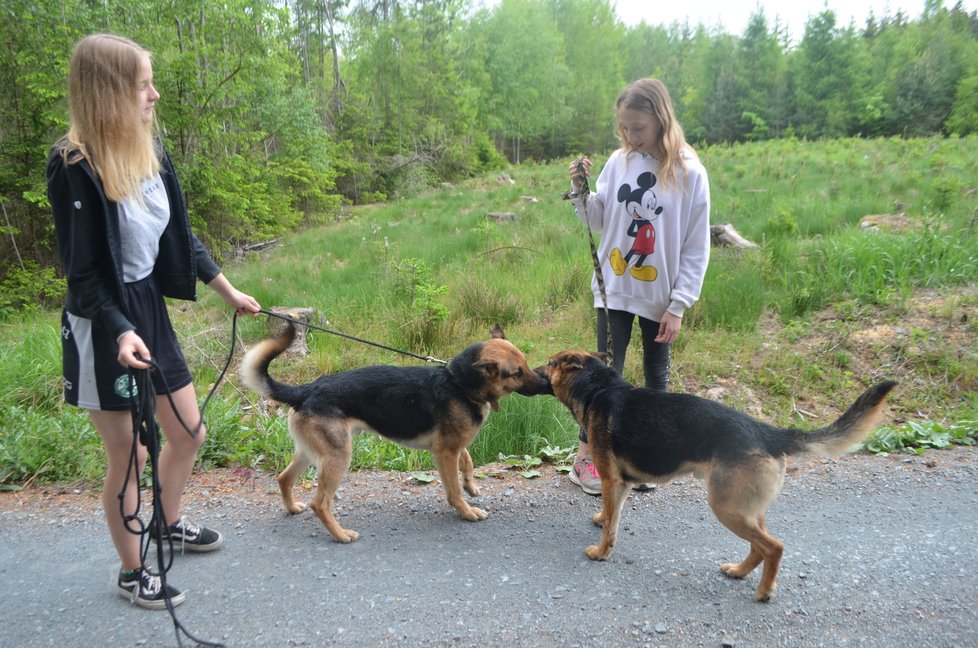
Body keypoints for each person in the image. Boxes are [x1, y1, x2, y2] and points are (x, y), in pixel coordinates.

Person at [47, 34, 262, 609]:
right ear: (111, 92)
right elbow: (83, 274)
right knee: (132, 455)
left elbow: (179, 237)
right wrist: (119, 329)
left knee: (189, 433)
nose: (155, 94)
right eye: (144, 84)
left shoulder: (149, 151)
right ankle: (132, 569)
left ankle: (167, 523)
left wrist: (226, 289)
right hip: (102, 325)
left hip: (150, 310)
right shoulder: (74, 166)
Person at [563, 78, 710, 495]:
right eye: (624, 128)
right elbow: (598, 219)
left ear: (661, 120)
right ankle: (586, 461)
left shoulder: (688, 172)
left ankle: (643, 461)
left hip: (660, 297)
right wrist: (580, 191)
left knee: (655, 381)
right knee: (604, 377)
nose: (630, 136)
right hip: (614, 288)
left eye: (638, 128)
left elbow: (696, 246)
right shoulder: (619, 161)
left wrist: (679, 304)